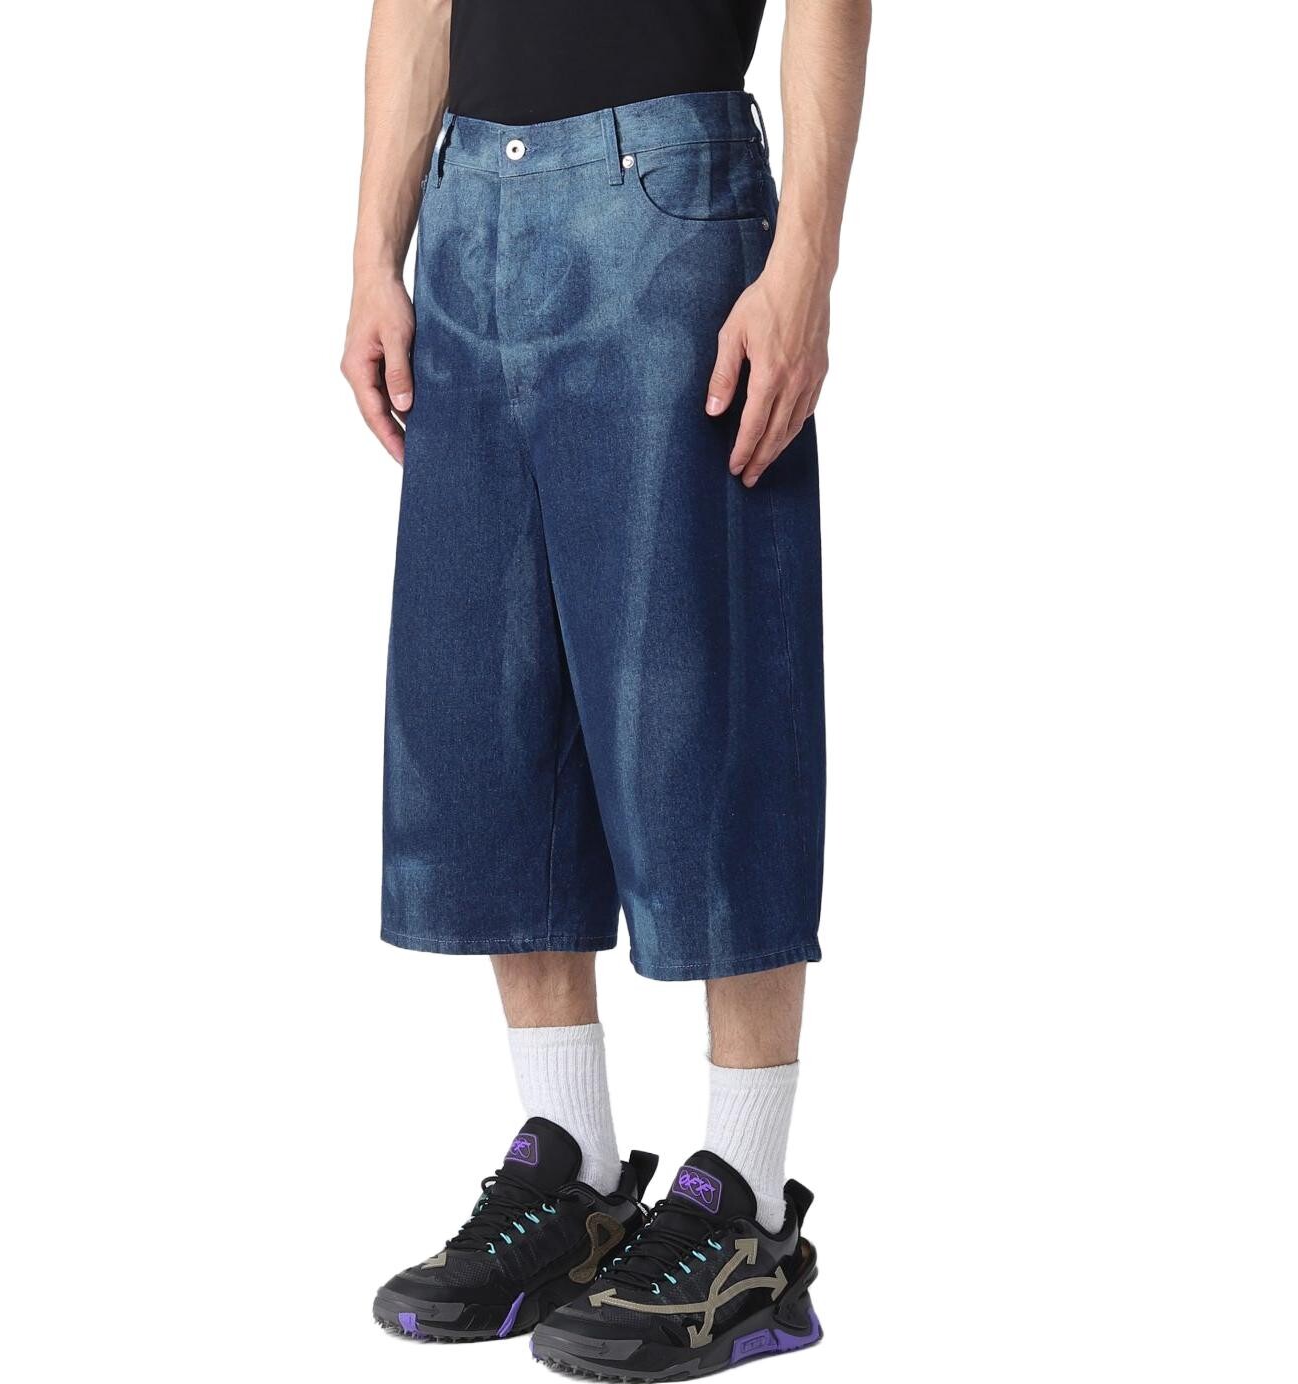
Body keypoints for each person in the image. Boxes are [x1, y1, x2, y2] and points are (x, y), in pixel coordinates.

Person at [342, 0, 869, 1375]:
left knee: (701, 701)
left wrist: (805, 263)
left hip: (671, 198)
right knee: (490, 704)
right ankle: (571, 1171)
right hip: (467, 207)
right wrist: (375, 258)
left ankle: (746, 1205)